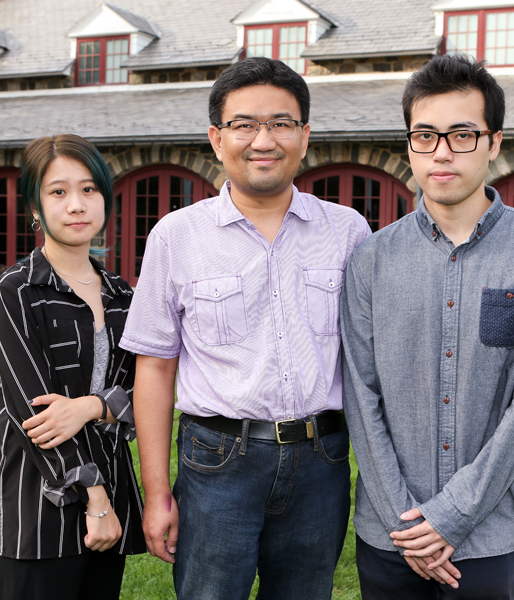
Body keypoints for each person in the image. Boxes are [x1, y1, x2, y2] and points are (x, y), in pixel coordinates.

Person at [119, 56, 371, 600]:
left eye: (282, 123)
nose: (264, 139)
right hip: (217, 464)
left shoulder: (349, 232)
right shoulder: (176, 237)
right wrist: (158, 494)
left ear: (304, 136)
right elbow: (156, 367)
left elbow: (370, 363)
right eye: (244, 125)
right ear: (217, 138)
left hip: (321, 461)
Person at [340, 54, 514, 600]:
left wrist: (452, 515)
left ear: (494, 142)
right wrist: (411, 526)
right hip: (389, 532)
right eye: (425, 134)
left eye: (462, 134)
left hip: (489, 535)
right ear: (409, 144)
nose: (441, 151)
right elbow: (360, 393)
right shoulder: (370, 260)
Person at [0, 134, 146, 600]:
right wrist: (94, 497)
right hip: (37, 507)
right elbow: (32, 411)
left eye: (89, 189)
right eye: (58, 192)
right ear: (35, 206)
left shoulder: (125, 297)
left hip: (111, 502)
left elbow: (146, 396)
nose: (76, 204)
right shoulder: (17, 291)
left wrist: (91, 406)